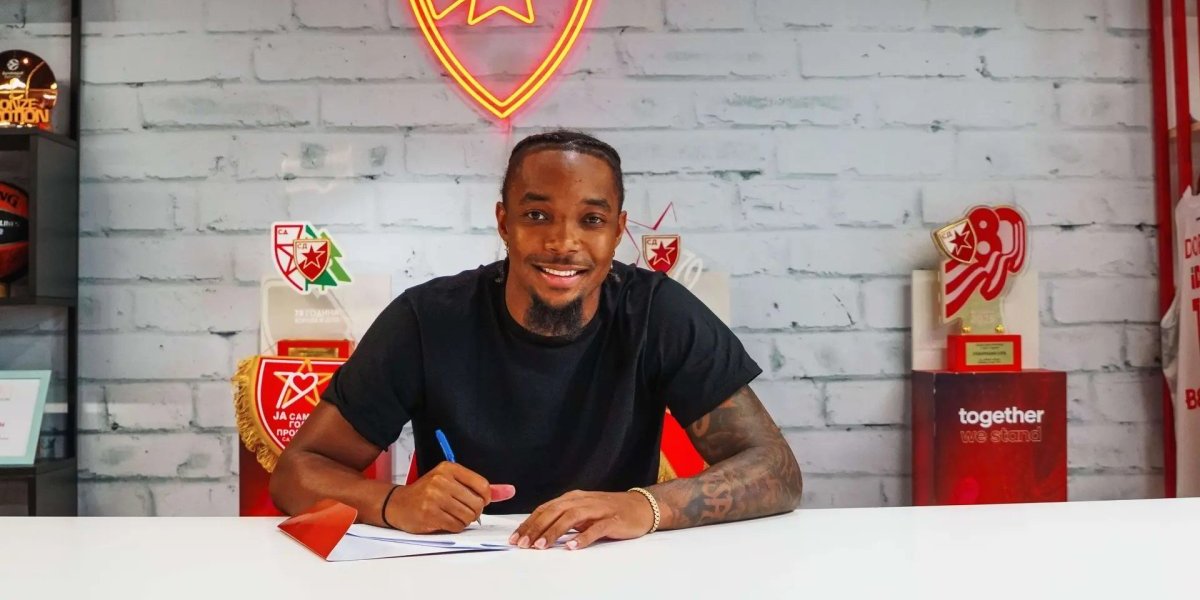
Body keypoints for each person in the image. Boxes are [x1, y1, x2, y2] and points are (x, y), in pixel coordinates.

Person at [270, 130, 803, 551]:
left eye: (591, 220)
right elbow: (296, 473)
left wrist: (644, 506)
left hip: (609, 566)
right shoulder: (426, 319)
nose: (563, 242)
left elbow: (776, 470)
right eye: (537, 215)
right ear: (504, 222)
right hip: (464, 568)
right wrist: (394, 503)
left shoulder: (656, 312)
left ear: (618, 232)